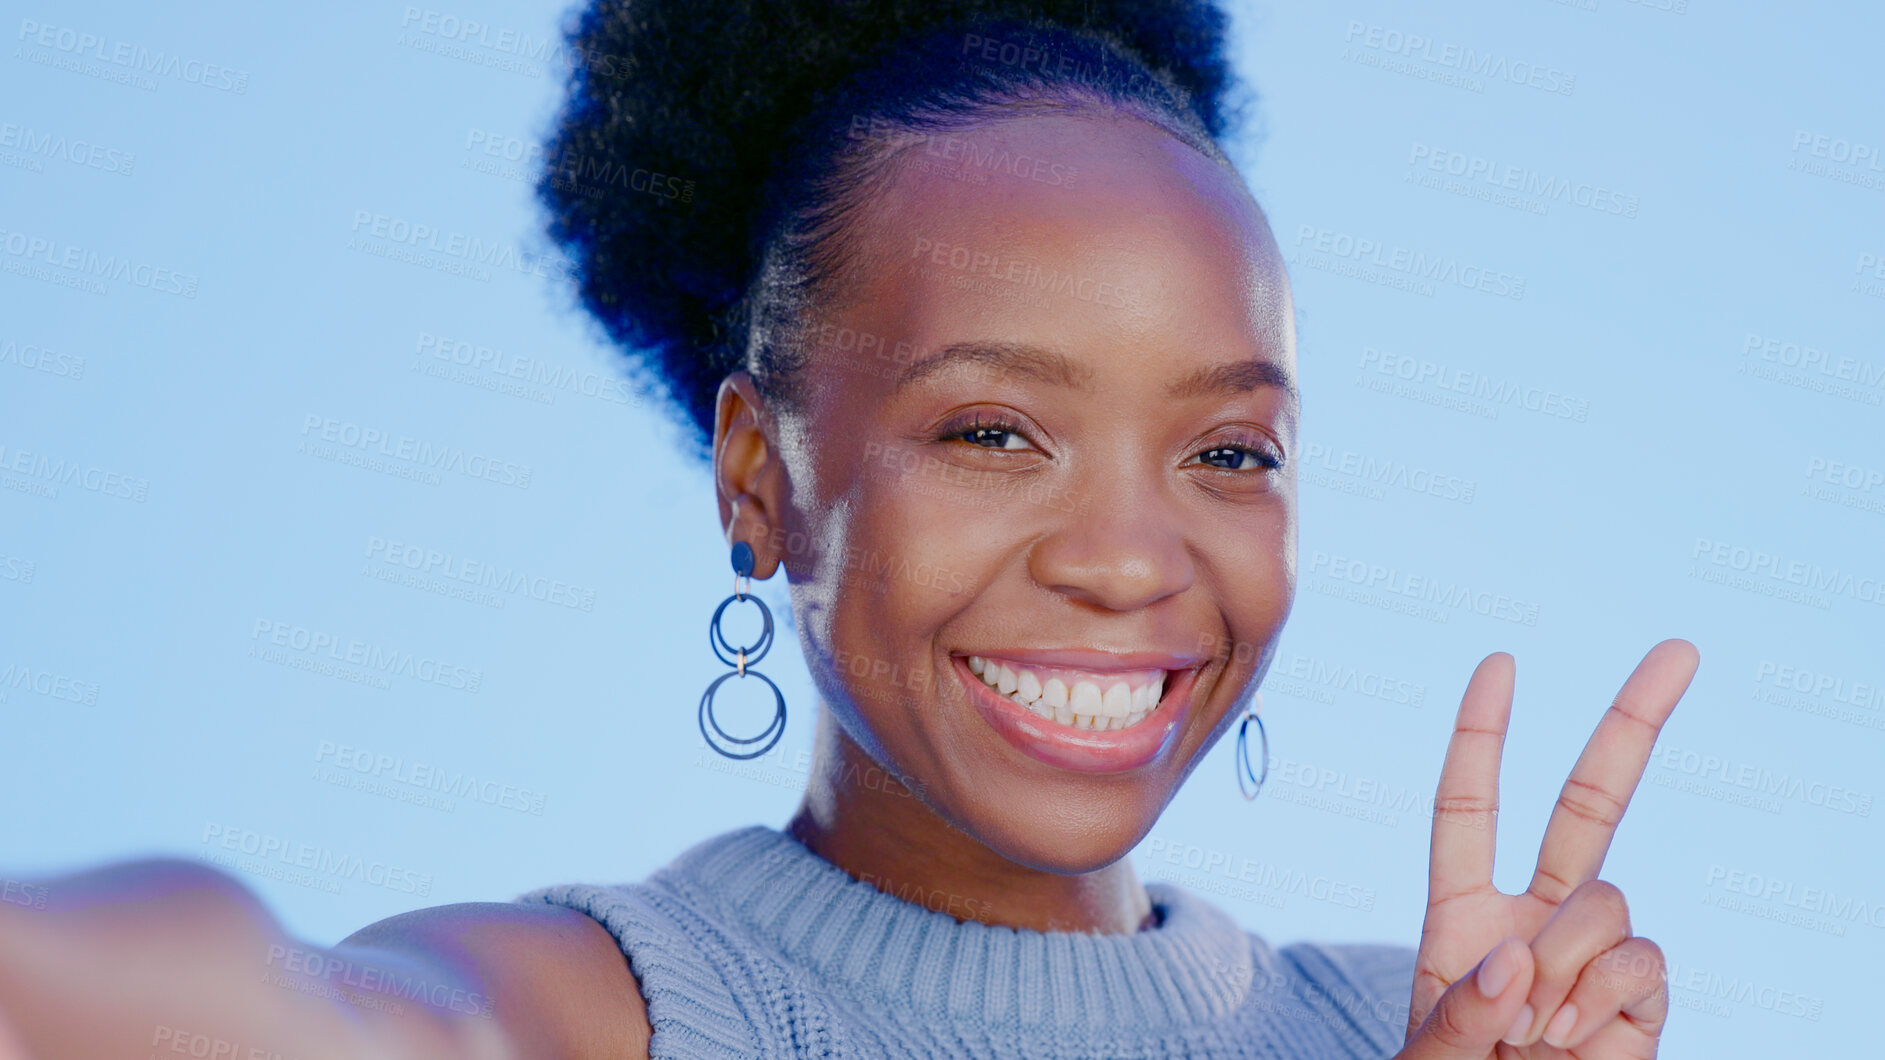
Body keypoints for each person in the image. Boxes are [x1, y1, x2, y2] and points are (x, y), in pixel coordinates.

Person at [0, 1, 1699, 1057]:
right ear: (759, 477)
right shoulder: (599, 1017)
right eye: (992, 431)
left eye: (1228, 452)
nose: (1127, 557)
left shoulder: (1438, 1034)